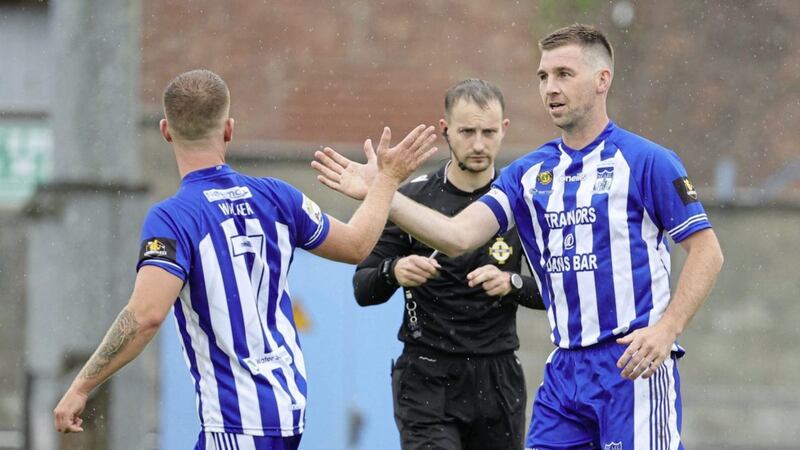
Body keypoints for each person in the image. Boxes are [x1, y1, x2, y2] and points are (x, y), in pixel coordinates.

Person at [312, 24, 724, 449]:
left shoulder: (646, 161)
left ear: (603, 80)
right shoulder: (527, 174)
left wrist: (668, 329)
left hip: (630, 368)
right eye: (543, 76)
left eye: (564, 74)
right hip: (564, 373)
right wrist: (384, 192)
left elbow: (706, 251)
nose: (550, 87)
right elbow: (455, 236)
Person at [52, 69, 438, 450]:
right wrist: (386, 180)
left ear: (166, 131)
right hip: (287, 408)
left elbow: (145, 316)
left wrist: (81, 386)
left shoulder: (173, 217)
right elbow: (357, 245)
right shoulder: (277, 196)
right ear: (229, 129)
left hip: (236, 418)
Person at [351, 79, 544, 450]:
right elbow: (362, 288)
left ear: (504, 130)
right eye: (467, 131)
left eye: (488, 132)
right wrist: (395, 271)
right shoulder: (410, 198)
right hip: (427, 375)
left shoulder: (521, 201)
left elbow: (557, 293)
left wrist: (512, 284)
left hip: (498, 375)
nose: (478, 144)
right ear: (445, 131)